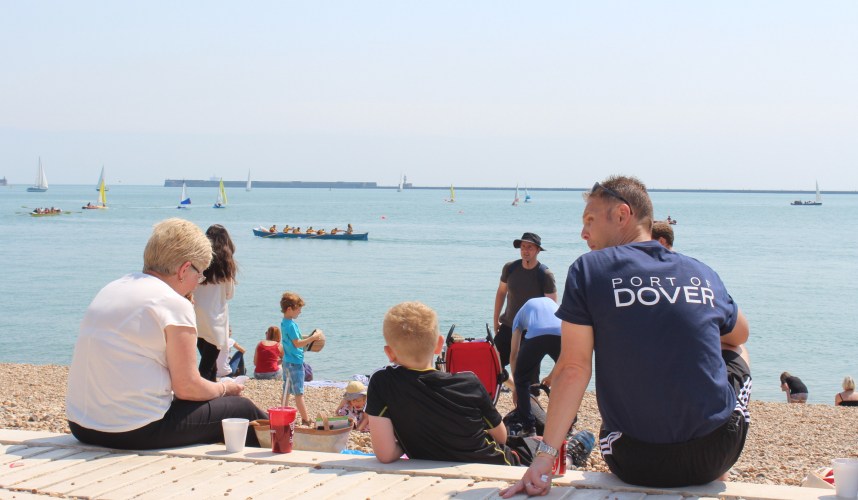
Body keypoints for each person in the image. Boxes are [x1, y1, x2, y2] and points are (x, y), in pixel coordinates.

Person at [502, 176, 751, 495]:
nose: (583, 233)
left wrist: (543, 460)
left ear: (622, 214)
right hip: (715, 454)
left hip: (633, 459)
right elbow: (740, 334)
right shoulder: (700, 271)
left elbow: (574, 368)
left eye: (590, 220)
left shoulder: (588, 270)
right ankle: (718, 475)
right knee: (736, 349)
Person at [66, 218, 266, 450]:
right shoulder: (172, 303)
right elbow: (187, 388)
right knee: (241, 409)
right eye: (199, 275)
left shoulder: (111, 288)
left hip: (81, 425)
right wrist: (225, 388)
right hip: (135, 429)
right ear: (184, 269)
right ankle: (287, 454)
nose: (197, 283)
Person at [366, 301, 522, 465]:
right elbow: (501, 437)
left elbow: (386, 454)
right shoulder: (469, 383)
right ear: (439, 345)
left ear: (389, 353)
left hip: (431, 464)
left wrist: (411, 441)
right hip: (492, 463)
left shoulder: (382, 382)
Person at [493, 232, 557, 393]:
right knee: (492, 364)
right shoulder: (510, 268)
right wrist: (495, 320)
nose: (525, 251)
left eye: (529, 247)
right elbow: (501, 293)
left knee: (531, 380)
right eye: (523, 247)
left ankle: (531, 403)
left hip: (532, 333)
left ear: (537, 250)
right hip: (508, 327)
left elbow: (551, 307)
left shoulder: (545, 274)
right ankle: (513, 388)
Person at [508, 296, 562, 437]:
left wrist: (517, 386)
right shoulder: (553, 304)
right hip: (561, 332)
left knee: (522, 379)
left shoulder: (518, 318)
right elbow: (562, 360)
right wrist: (551, 376)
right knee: (565, 374)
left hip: (536, 335)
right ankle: (568, 426)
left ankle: (529, 428)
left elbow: (514, 354)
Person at [194, 224, 237, 382]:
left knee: (209, 364)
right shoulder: (226, 266)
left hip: (195, 315)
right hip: (215, 319)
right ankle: (197, 393)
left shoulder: (197, 262)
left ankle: (210, 392)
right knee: (207, 365)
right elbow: (229, 294)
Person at [279, 291, 323, 426]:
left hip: (287, 360)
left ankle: (282, 413)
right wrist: (313, 338)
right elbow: (297, 343)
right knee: (299, 393)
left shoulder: (285, 322)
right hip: (295, 362)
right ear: (289, 309)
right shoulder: (291, 325)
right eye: (298, 309)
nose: (300, 312)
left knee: (286, 389)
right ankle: (305, 419)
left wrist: (307, 339)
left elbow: (292, 341)